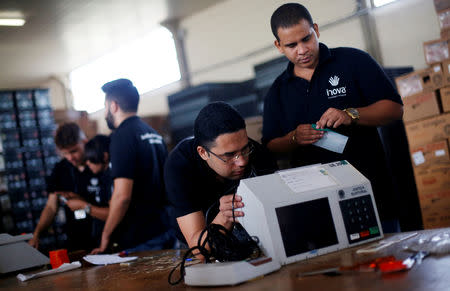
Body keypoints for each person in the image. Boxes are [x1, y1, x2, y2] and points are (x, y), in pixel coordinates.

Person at [262, 3, 403, 232]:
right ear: (278, 46)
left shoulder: (353, 62)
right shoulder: (278, 92)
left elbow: (395, 108)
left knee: (387, 262)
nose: (302, 49)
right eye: (291, 45)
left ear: (316, 29)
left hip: (372, 196)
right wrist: (294, 138)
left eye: (306, 39)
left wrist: (352, 114)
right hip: (318, 210)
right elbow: (270, 145)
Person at [164, 102, 278, 249]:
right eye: (230, 155)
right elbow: (198, 249)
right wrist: (226, 215)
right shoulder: (180, 166)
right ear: (203, 153)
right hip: (197, 242)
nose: (242, 161)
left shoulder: (258, 154)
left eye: (244, 149)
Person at [92, 78, 174, 254]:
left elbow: (122, 196)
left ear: (113, 106)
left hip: (141, 238)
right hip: (165, 229)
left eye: (105, 107)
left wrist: (106, 235)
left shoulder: (121, 137)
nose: (105, 112)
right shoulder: (153, 134)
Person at [29, 123, 110, 251]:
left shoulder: (101, 165)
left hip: (104, 237)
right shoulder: (60, 169)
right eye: (65, 153)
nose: (70, 157)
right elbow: (51, 206)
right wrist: (37, 234)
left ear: (85, 142)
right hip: (76, 241)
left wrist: (83, 204)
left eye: (74, 151)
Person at [84, 134, 113, 246]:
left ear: (104, 156)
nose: (87, 163)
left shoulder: (111, 177)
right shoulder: (103, 176)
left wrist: (84, 206)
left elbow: (113, 212)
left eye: (91, 158)